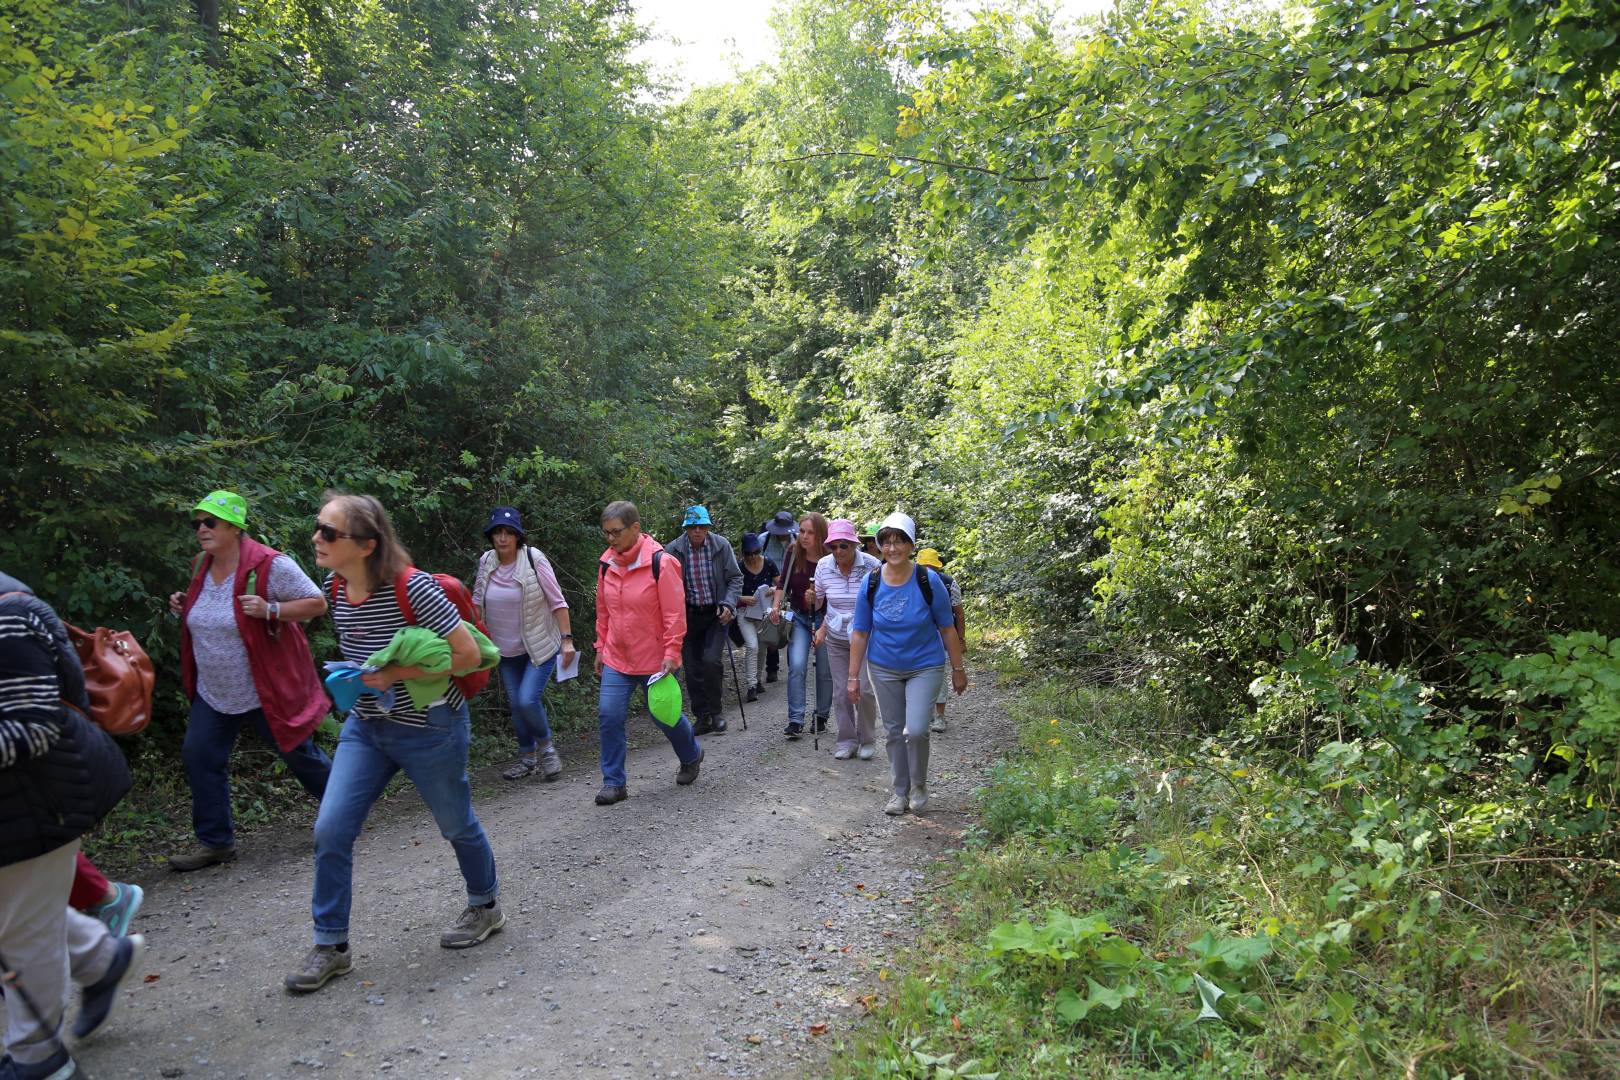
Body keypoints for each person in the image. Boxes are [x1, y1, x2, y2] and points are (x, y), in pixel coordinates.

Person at [287, 493, 503, 994]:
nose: (316, 538)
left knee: (455, 824)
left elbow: (468, 653)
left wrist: (394, 674)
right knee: (331, 828)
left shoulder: (415, 588)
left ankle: (486, 905)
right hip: (366, 727)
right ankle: (331, 944)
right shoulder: (334, 587)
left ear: (365, 544)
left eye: (328, 532)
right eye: (318, 527)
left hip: (431, 727)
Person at [1, 572, 144, 1079]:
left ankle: (41, 1061)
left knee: (21, 930)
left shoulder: (9, 617)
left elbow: (34, 725)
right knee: (20, 915)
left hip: (34, 803)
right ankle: (100, 957)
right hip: (23, 810)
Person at [167, 489, 333, 871]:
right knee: (200, 756)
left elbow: (316, 603)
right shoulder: (200, 566)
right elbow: (208, 618)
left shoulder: (271, 565)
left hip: (264, 688)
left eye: (210, 522)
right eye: (198, 523)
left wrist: (271, 609)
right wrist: (182, 604)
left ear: (234, 527)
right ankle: (216, 843)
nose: (201, 530)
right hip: (215, 691)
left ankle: (344, 812)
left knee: (300, 755)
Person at [848, 513, 967, 815]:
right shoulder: (871, 582)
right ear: (879, 546)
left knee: (915, 730)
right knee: (892, 731)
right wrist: (853, 677)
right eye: (886, 542)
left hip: (924, 665)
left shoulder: (928, 581)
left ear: (911, 545)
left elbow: (947, 627)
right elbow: (861, 631)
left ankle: (919, 785)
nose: (892, 548)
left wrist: (957, 669)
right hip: (883, 666)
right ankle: (899, 792)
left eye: (899, 541)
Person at [593, 500, 705, 805]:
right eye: (606, 533)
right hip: (618, 655)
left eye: (616, 532)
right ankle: (614, 782)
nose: (611, 539)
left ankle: (692, 754)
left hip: (656, 658)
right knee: (608, 715)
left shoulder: (661, 563)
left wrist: (672, 651)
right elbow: (603, 611)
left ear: (635, 528)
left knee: (664, 717)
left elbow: (674, 614)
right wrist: (600, 648)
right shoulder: (606, 563)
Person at [472, 506, 576, 781]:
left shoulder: (533, 559)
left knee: (527, 700)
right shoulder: (486, 562)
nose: (503, 538)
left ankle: (548, 750)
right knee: (516, 704)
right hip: (504, 650)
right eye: (498, 533)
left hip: (539, 646)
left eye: (508, 532)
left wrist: (567, 640)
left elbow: (557, 601)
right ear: (491, 536)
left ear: (518, 536)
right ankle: (527, 758)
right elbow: (477, 604)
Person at [664, 506, 742, 735]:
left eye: (701, 527)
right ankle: (702, 716)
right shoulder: (673, 550)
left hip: (715, 614)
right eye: (692, 527)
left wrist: (728, 603)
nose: (697, 531)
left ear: (708, 527)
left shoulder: (721, 545)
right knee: (691, 667)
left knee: (711, 662)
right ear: (686, 528)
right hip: (687, 616)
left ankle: (716, 713)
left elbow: (735, 578)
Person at [811, 519, 881, 760]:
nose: (839, 551)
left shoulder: (871, 564)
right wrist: (812, 599)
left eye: (844, 545)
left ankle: (867, 738)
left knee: (864, 689)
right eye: (834, 546)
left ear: (854, 544)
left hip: (864, 637)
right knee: (841, 692)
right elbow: (819, 602)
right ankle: (847, 740)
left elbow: (880, 600)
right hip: (836, 635)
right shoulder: (823, 566)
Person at [771, 512, 831, 738]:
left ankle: (821, 716)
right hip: (799, 617)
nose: (804, 537)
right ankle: (795, 719)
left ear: (820, 534)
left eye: (810, 532)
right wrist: (776, 607)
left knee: (824, 670)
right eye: (802, 531)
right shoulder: (793, 552)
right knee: (796, 666)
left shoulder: (830, 556)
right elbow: (782, 582)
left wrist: (819, 600)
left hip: (825, 619)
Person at [916, 549, 966, 733]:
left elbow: (959, 613)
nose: (928, 572)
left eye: (932, 568)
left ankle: (940, 715)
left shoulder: (949, 583)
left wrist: (961, 639)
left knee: (939, 676)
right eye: (924, 567)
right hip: (919, 637)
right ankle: (925, 712)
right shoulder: (909, 581)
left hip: (944, 636)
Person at [733, 533, 779, 701]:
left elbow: (781, 584)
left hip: (763, 612)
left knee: (761, 648)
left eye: (755, 552)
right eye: (748, 553)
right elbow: (728, 591)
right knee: (752, 647)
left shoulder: (768, 563)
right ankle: (751, 685)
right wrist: (741, 598)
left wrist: (773, 590)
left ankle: (757, 680)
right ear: (743, 553)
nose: (752, 557)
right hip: (745, 612)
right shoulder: (737, 567)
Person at [759, 512, 798, 684]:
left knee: (793, 627)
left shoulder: (797, 541)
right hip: (771, 592)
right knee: (773, 626)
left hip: (793, 589)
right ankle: (772, 668)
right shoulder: (763, 540)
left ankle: (794, 667)